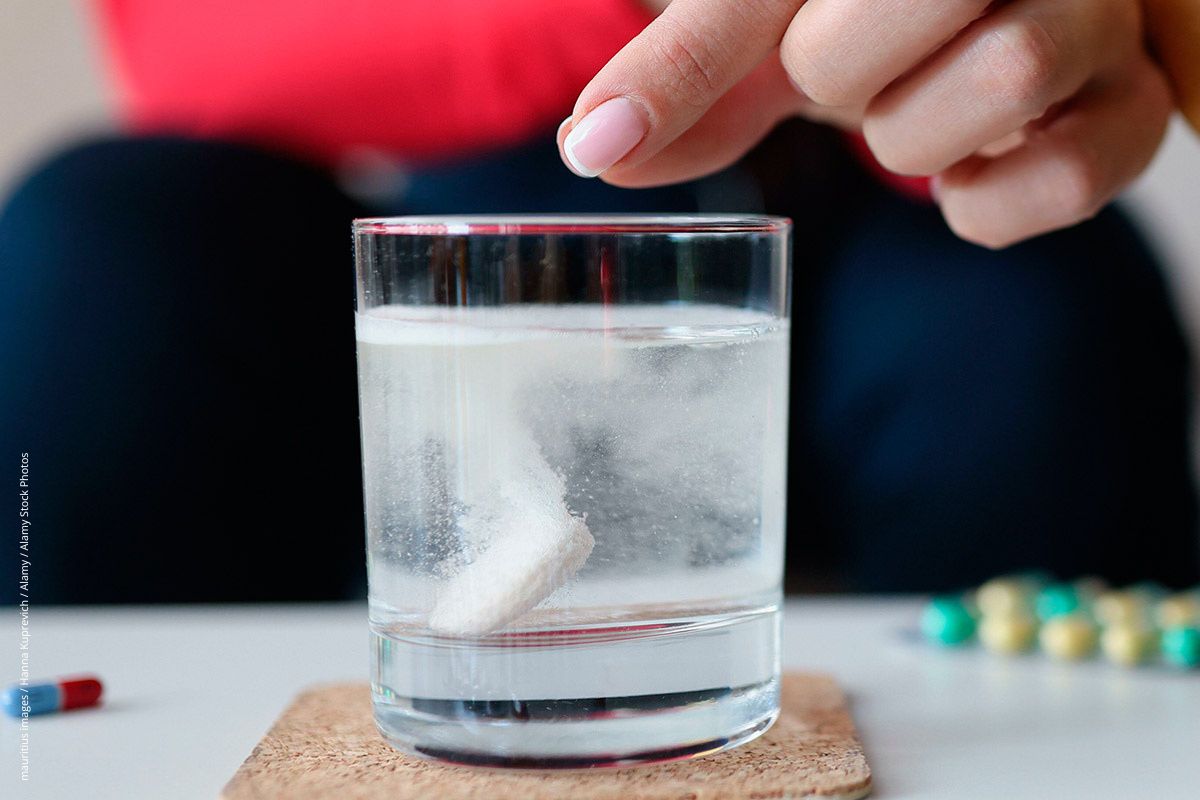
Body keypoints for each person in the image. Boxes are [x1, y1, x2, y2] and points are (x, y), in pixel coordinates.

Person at [0, 0, 1195, 604]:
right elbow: (180, 36)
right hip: (405, 222)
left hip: (854, 211)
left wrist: (989, 54)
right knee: (96, 260)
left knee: (1030, 320)